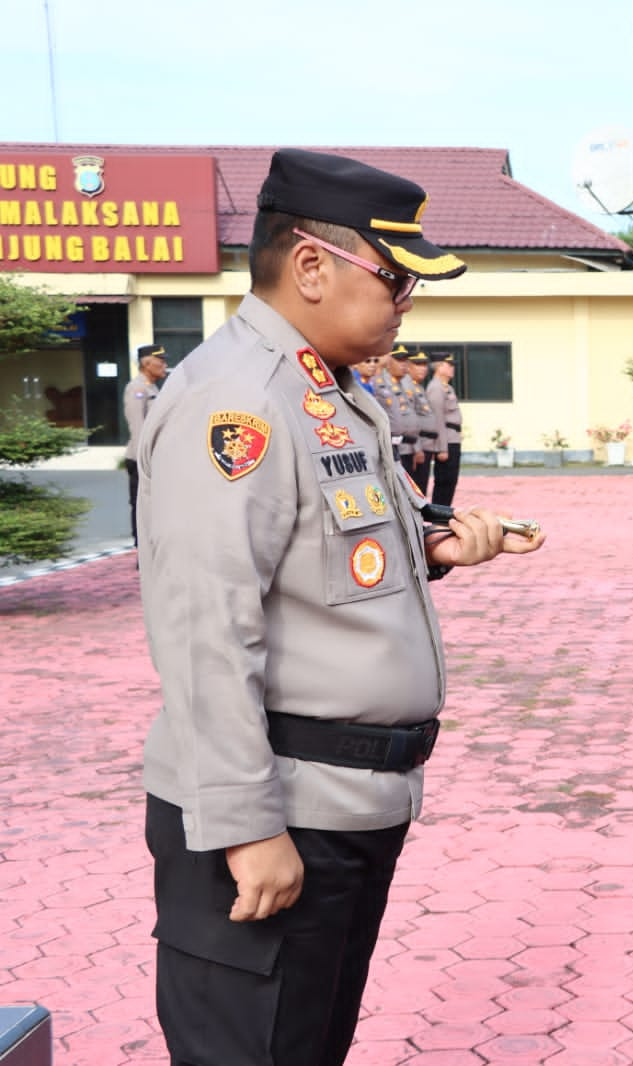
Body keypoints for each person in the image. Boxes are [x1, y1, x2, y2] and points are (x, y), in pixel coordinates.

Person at [135, 147, 546, 1066]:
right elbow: (205, 625)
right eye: (395, 280)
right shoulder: (239, 402)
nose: (407, 305)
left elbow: (321, 558)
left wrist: (436, 550)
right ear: (311, 265)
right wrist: (248, 827)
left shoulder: (328, 389)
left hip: (347, 808)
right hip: (283, 810)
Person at [122, 343, 167, 544]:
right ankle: (142, 551)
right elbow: (138, 428)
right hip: (141, 459)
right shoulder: (137, 389)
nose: (165, 364)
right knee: (141, 506)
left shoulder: (152, 387)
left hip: (154, 458)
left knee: (156, 507)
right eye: (161, 360)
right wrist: (145, 460)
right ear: (147, 363)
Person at [427, 352, 462, 507]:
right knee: (444, 482)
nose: (452, 368)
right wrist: (441, 448)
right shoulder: (436, 388)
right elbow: (438, 419)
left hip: (452, 438)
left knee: (450, 481)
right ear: (439, 366)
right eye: (449, 365)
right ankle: (439, 517)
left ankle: (444, 514)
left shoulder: (446, 387)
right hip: (446, 441)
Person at [406, 349, 442, 494]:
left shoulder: (418, 387)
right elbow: (410, 421)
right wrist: (417, 448)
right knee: (416, 489)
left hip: (426, 444)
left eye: (424, 365)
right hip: (417, 444)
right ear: (408, 367)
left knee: (422, 488)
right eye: (418, 364)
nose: (423, 368)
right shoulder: (407, 387)